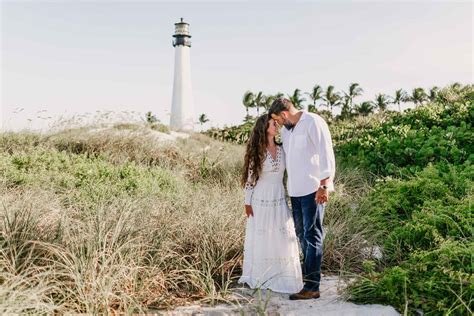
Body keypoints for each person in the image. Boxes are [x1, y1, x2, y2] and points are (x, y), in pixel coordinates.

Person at [268, 98, 336, 300]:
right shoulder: (287, 132)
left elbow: (326, 153)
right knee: (301, 234)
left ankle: (312, 287)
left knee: (312, 234)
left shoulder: (313, 122)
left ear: (284, 114)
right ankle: (309, 280)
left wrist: (324, 185)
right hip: (295, 191)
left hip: (313, 189)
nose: (278, 124)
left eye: (277, 120)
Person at [238, 114, 303, 294]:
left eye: (277, 123)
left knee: (281, 236)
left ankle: (282, 274)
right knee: (263, 236)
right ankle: (262, 275)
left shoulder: (284, 149)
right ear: (264, 127)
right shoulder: (256, 151)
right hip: (260, 199)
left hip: (279, 197)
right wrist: (247, 203)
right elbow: (250, 180)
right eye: (273, 124)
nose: (277, 126)